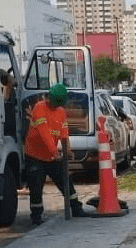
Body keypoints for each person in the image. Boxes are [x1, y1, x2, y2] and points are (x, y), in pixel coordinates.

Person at [24, 83, 89, 225]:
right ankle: (36, 217)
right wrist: (55, 152)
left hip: (52, 155)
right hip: (35, 156)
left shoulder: (60, 111)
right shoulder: (39, 108)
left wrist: (68, 149)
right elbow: (44, 133)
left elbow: (64, 132)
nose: (54, 105)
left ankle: (76, 208)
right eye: (53, 102)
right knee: (36, 188)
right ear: (49, 98)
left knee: (66, 181)